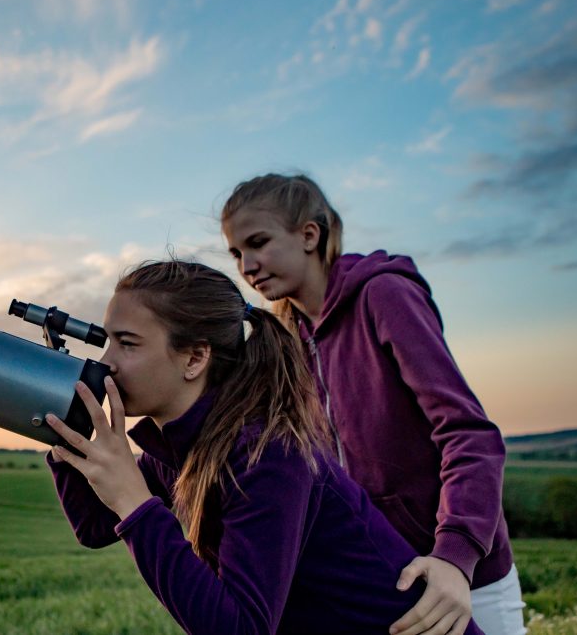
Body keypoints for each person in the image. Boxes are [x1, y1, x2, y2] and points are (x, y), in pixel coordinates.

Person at [45, 260, 483, 635]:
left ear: (195, 358)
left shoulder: (265, 453)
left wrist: (135, 501)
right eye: (107, 341)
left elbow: (242, 628)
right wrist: (63, 425)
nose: (106, 361)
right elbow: (95, 526)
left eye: (127, 343)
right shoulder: (185, 446)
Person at [221, 173, 525, 635]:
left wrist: (455, 556)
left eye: (257, 242)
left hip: (461, 578)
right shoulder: (284, 341)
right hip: (378, 583)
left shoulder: (384, 295)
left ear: (309, 234)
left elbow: (469, 434)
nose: (247, 265)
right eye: (236, 253)